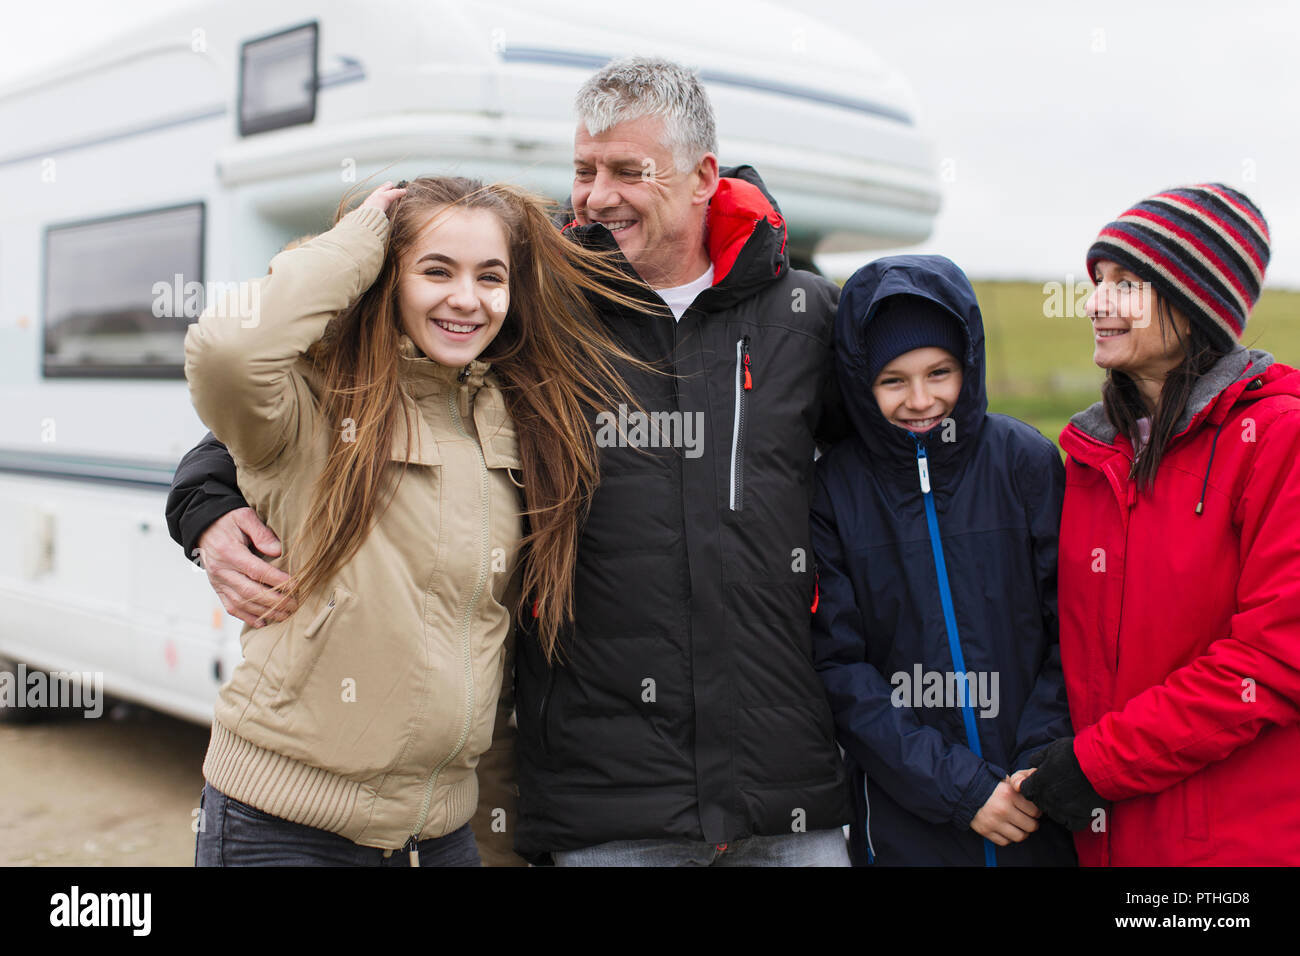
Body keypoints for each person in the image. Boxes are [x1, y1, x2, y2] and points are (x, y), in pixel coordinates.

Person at [167, 56, 853, 867]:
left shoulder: (802, 317)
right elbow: (284, 411)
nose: (596, 197)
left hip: (779, 788)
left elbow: (884, 465)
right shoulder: (548, 307)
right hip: (608, 801)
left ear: (703, 176)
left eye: (627, 171)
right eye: (583, 170)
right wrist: (206, 501)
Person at [186, 176, 648, 866]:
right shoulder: (311, 404)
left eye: (490, 277)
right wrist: (362, 236)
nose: (467, 298)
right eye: (436, 270)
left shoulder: (520, 412)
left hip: (438, 835)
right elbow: (229, 352)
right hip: (283, 827)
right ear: (385, 276)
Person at [1018, 183, 1300, 865]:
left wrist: (1093, 766)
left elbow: (1271, 661)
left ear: (1195, 302)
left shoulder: (1277, 437)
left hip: (1229, 851)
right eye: (1097, 281)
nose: (1096, 303)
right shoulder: (1090, 456)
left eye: (1126, 283)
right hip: (1107, 840)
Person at [810, 255, 1077, 866]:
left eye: (940, 372)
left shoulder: (1027, 463)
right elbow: (840, 669)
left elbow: (1075, 627)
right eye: (893, 381)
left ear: (968, 364)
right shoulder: (834, 491)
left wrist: (1034, 768)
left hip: (1037, 809)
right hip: (909, 823)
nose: (922, 399)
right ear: (858, 382)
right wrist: (962, 788)